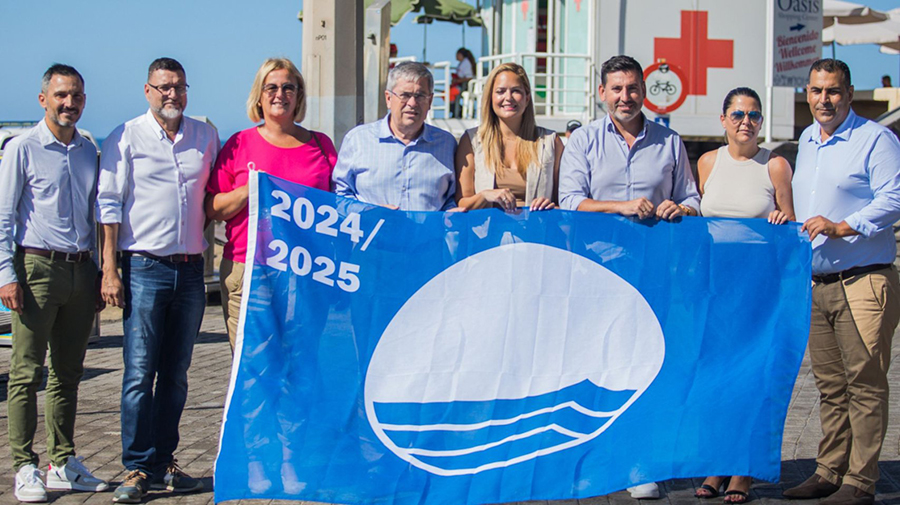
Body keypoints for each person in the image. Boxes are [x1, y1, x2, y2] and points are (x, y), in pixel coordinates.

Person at [558, 54, 700, 499]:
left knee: (644, 364)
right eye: (616, 89)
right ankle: (589, 459)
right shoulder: (583, 140)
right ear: (602, 93)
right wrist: (619, 205)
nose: (625, 97)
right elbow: (568, 200)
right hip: (595, 272)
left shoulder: (670, 142)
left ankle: (639, 463)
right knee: (592, 365)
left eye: (632, 88)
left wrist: (682, 209)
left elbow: (693, 198)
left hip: (652, 273)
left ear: (645, 91)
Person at [98, 57, 219, 503]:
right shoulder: (125, 136)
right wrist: (109, 268)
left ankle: (165, 461)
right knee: (137, 373)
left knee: (176, 375)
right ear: (147, 90)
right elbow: (108, 205)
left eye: (180, 87)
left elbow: (213, 197)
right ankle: (135, 467)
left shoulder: (205, 136)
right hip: (144, 267)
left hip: (190, 271)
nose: (173, 95)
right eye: (164, 87)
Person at [783, 58, 900, 505]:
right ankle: (829, 470)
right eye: (816, 91)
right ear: (807, 94)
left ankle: (860, 482)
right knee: (830, 387)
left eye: (833, 91)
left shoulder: (875, 139)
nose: (824, 99)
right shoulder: (808, 140)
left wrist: (843, 225)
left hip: (864, 280)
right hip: (819, 283)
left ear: (849, 93)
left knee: (865, 385)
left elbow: (894, 198)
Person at [0, 64, 109, 503]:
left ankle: (62, 461)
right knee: (27, 373)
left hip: (81, 271)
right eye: (62, 95)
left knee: (68, 372)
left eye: (77, 96)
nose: (70, 103)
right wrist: (6, 274)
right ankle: (23, 465)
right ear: (44, 99)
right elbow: (4, 216)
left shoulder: (88, 150)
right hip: (36, 270)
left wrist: (100, 270)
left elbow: (95, 215)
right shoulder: (22, 148)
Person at [693, 86, 795, 504]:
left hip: (758, 291)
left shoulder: (774, 166)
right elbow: (701, 216)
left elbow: (790, 226)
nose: (745, 122)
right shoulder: (707, 162)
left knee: (753, 378)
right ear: (723, 120)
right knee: (716, 378)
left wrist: (781, 217)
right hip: (716, 288)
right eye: (737, 114)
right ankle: (717, 463)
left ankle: (744, 472)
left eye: (754, 115)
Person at [206, 57, 336, 351]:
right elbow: (212, 208)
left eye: (289, 88)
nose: (280, 95)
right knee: (252, 370)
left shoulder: (320, 145)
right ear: (259, 96)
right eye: (271, 88)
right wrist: (249, 190)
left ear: (299, 95)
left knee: (301, 366)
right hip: (250, 270)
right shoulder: (240, 143)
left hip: (307, 273)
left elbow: (340, 206)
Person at [332, 61, 457, 211]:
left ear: (430, 101)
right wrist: (369, 213)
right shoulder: (358, 140)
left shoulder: (447, 144)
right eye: (405, 95)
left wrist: (451, 215)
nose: (412, 103)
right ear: (388, 98)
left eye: (420, 95)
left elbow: (452, 198)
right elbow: (338, 195)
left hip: (428, 235)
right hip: (373, 233)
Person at [455, 62, 562, 211]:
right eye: (500, 91)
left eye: (516, 91)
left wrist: (551, 207)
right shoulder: (472, 140)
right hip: (487, 233)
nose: (508, 97)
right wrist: (485, 196)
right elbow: (461, 202)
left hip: (535, 233)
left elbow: (564, 202)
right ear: (490, 97)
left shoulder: (551, 142)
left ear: (527, 98)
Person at [451, 48, 476, 117]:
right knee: (447, 94)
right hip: (460, 85)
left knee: (450, 94)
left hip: (464, 86)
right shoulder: (463, 63)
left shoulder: (466, 63)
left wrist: (457, 80)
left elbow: (469, 77)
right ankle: (457, 110)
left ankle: (458, 111)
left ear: (460, 55)